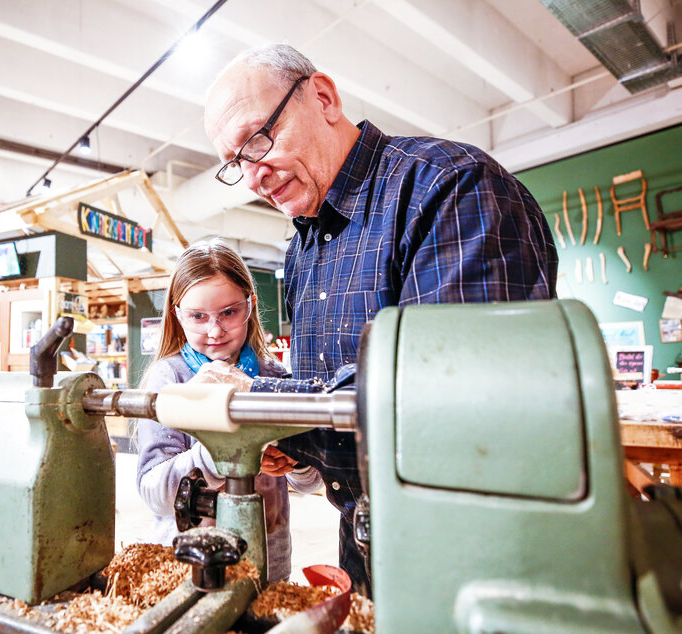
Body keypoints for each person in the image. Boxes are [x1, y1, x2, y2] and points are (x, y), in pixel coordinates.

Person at [201, 44, 559, 590]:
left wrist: (260, 409)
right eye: (236, 163)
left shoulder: (449, 188)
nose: (254, 177)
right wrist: (274, 428)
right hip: (365, 543)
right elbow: (331, 394)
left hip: (474, 548)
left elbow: (446, 395)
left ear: (322, 97)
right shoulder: (303, 251)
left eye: (257, 140)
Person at [135, 238, 322, 582]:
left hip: (267, 564)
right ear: (177, 314)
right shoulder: (171, 377)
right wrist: (224, 456)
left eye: (229, 312)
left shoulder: (273, 376)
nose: (215, 330)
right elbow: (155, 495)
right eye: (198, 316)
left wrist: (298, 458)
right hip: (190, 566)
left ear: (250, 304)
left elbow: (309, 483)